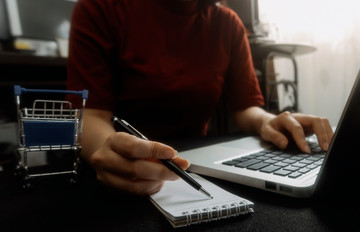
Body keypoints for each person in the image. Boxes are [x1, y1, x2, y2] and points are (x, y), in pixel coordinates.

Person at [67, 0, 333, 196]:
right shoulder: (99, 8)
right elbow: (90, 115)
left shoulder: (228, 24)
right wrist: (107, 148)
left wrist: (267, 121)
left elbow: (246, 107)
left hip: (192, 164)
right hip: (117, 178)